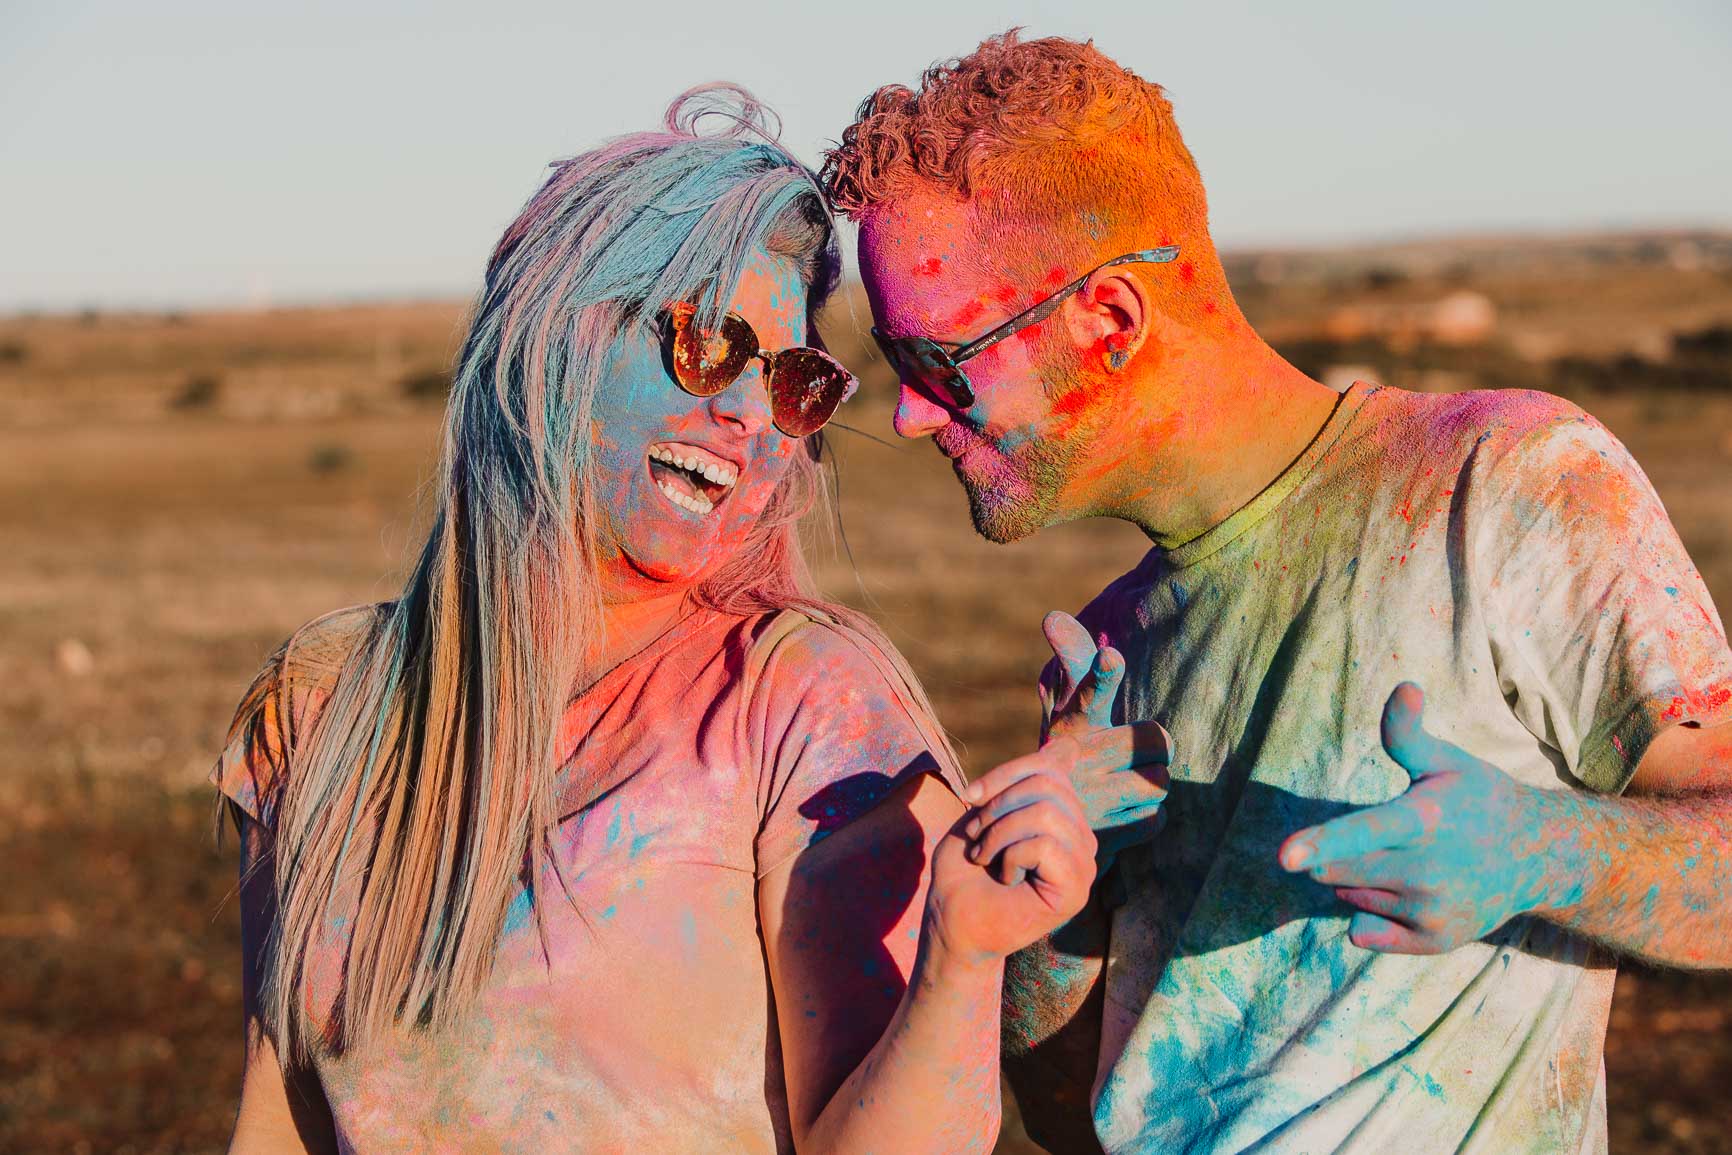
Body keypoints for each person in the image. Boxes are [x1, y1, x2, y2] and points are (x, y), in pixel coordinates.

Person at [825, 31, 1732, 1154]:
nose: (908, 416)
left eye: (937, 367)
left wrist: (1540, 853)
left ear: (1107, 322)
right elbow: (1076, 1121)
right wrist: (1054, 899)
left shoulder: (1507, 481)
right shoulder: (1107, 653)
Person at [213, 85, 1117, 1154]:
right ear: (549, 336)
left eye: (793, 382)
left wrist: (959, 963)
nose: (743, 412)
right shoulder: (323, 703)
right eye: (703, 343)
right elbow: (279, 1119)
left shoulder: (809, 704)